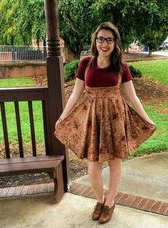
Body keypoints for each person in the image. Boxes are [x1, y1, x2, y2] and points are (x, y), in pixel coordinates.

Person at [54, 22, 156, 224]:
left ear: (115, 42)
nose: (105, 43)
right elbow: (75, 94)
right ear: (95, 40)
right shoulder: (85, 64)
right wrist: (62, 117)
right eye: (101, 39)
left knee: (115, 163)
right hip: (93, 120)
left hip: (115, 119)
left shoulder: (121, 67)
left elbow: (132, 97)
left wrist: (146, 118)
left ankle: (109, 203)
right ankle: (99, 199)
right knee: (93, 170)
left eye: (109, 39)